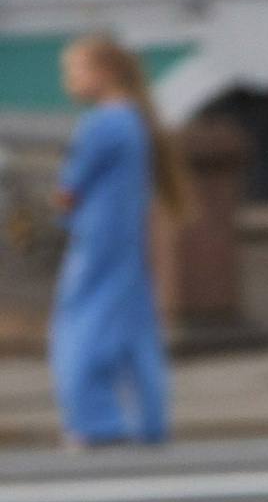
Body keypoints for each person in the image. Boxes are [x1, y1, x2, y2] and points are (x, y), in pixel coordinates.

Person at [49, 35, 176, 448]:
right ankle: (150, 418)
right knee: (135, 329)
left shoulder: (101, 124)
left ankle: (95, 420)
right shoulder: (135, 120)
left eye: (75, 71)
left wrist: (53, 211)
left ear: (102, 73)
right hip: (125, 237)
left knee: (80, 327)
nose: (68, 81)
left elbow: (69, 188)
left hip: (96, 238)